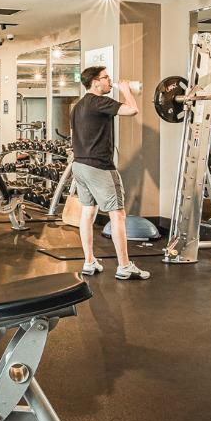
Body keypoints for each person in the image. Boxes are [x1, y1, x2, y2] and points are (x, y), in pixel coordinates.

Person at [70, 66, 148, 279]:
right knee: (118, 214)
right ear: (95, 82)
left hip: (80, 165)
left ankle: (89, 262)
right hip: (99, 167)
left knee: (88, 212)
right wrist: (126, 90)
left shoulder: (78, 106)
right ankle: (124, 266)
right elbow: (132, 110)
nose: (109, 81)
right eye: (106, 78)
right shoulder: (99, 102)